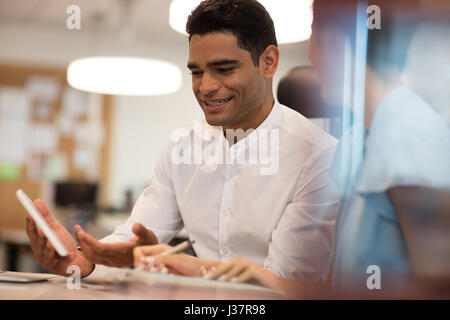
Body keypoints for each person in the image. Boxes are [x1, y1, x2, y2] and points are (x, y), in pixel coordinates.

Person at [135, 0, 450, 298]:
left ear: (332, 39)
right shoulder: (357, 141)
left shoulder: (410, 137)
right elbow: (332, 284)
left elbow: (436, 289)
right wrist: (208, 269)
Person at [26, 0, 338, 282]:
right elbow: (136, 235)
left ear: (268, 62)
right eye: (196, 72)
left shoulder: (318, 157)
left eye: (224, 69)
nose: (206, 87)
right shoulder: (182, 148)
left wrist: (181, 265)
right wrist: (83, 261)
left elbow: (283, 280)